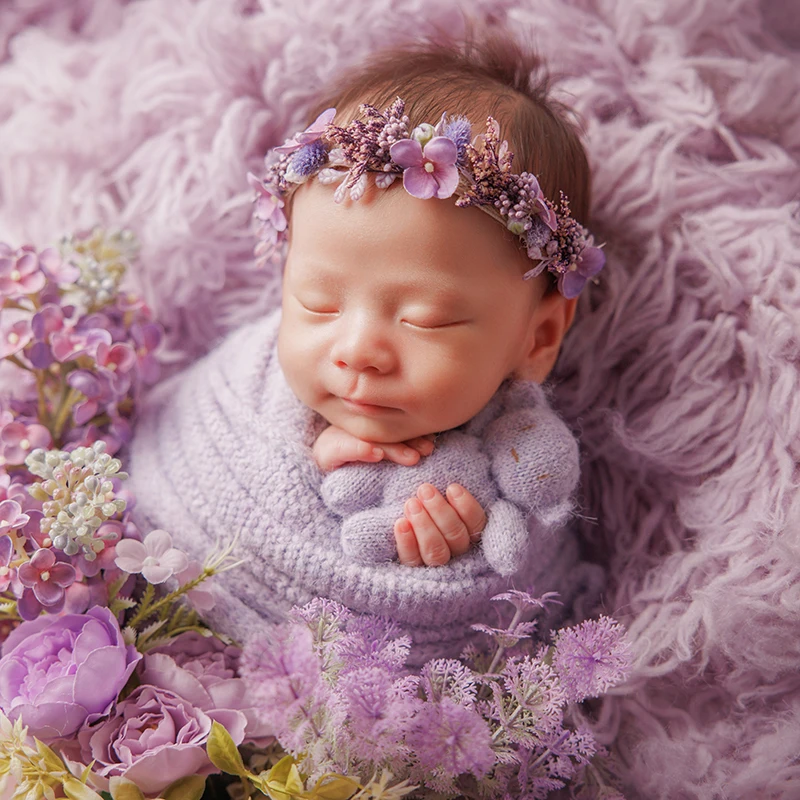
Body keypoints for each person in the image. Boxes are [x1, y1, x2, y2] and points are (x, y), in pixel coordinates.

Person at [127, 30, 606, 661]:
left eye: (426, 320)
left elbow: (500, 603)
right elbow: (185, 442)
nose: (357, 350)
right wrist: (309, 439)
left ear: (537, 337)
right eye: (317, 303)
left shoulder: (519, 464)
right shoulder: (245, 392)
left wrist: (440, 544)